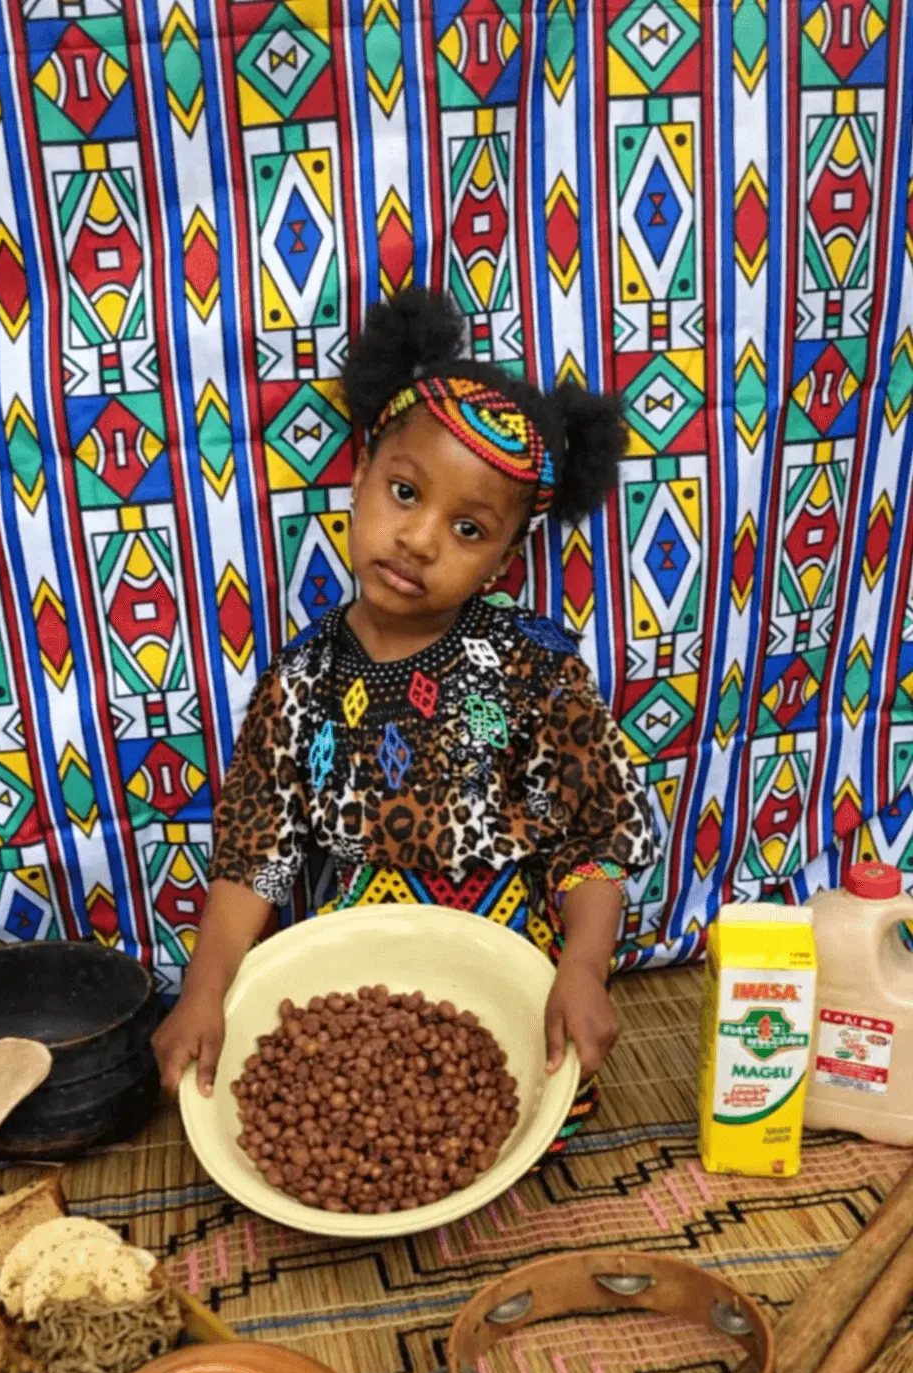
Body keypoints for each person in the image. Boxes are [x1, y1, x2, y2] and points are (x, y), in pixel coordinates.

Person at [153, 289, 656, 1160]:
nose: (419, 539)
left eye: (467, 528)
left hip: (508, 998)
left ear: (505, 557)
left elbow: (595, 838)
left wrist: (581, 970)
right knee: (347, 1144)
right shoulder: (302, 679)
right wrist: (203, 987)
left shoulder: (534, 671)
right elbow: (256, 854)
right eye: (404, 492)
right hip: (350, 1006)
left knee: (505, 1126)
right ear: (357, 479)